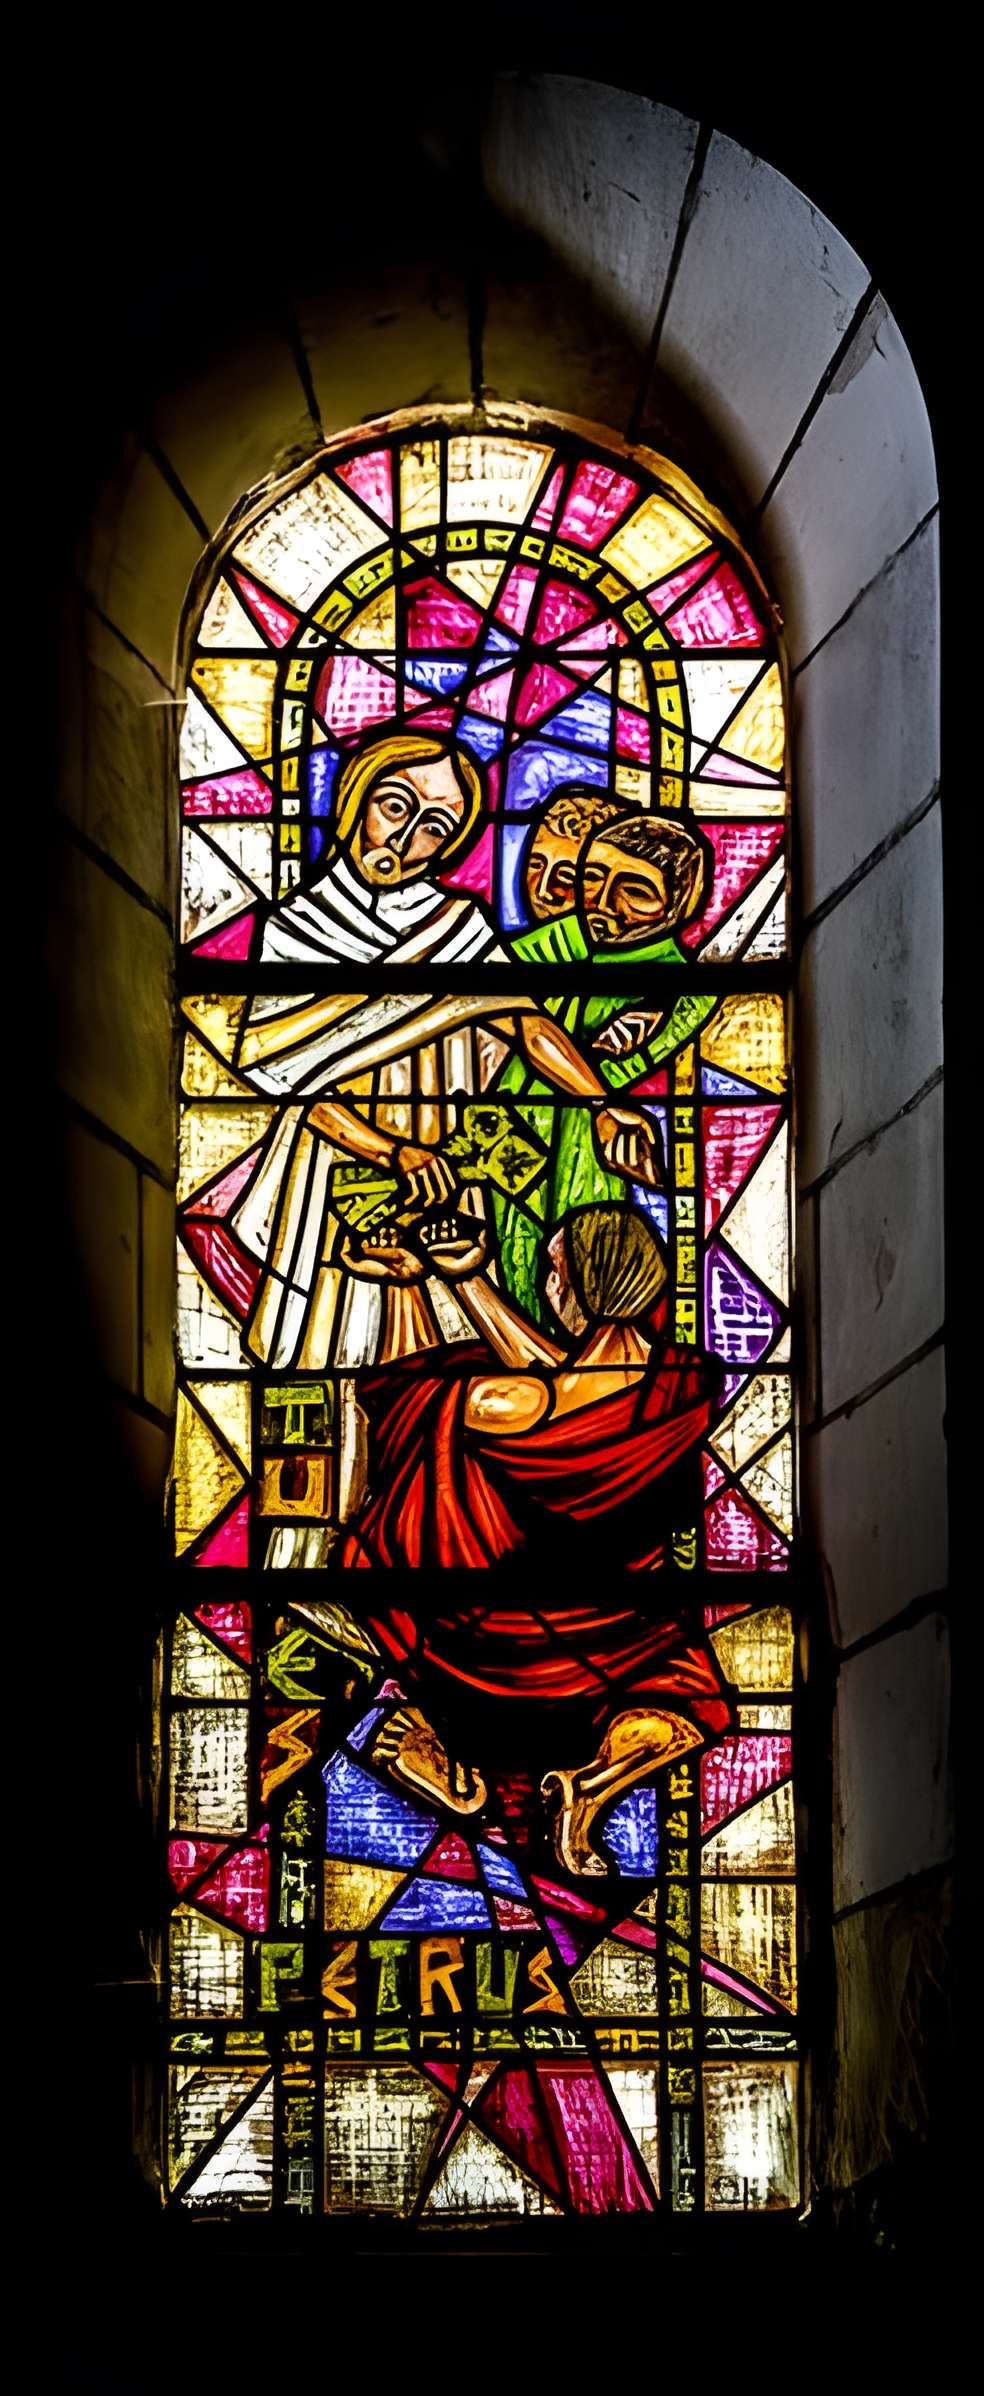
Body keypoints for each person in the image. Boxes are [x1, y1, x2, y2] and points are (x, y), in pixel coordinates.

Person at [230, 734, 662, 1375]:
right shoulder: (294, 929)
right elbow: (297, 1086)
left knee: (454, 1349)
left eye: (434, 827)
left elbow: (526, 1025)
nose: (405, 843)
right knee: (332, 1356)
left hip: (450, 1172)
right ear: (354, 801)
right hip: (342, 1171)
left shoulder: (458, 923)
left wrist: (600, 1105)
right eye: (396, 806)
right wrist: (393, 1152)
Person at [329, 1201, 729, 1873]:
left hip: (500, 1639)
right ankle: (592, 1784)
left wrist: (423, 1283)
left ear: (580, 1283)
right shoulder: (684, 1381)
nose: (547, 1286)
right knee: (690, 1701)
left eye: (554, 1269)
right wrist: (463, 1278)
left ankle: (449, 1759)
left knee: (431, 1402)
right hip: (629, 1629)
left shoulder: (506, 1402)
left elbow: (415, 1395)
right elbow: (576, 1385)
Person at [490, 789, 721, 1326]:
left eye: (635, 891)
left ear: (679, 905)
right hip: (503, 1146)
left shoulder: (681, 989)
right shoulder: (536, 950)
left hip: (587, 1157)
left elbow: (610, 1062)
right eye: (593, 879)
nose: (604, 902)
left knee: (579, 1288)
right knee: (510, 1267)